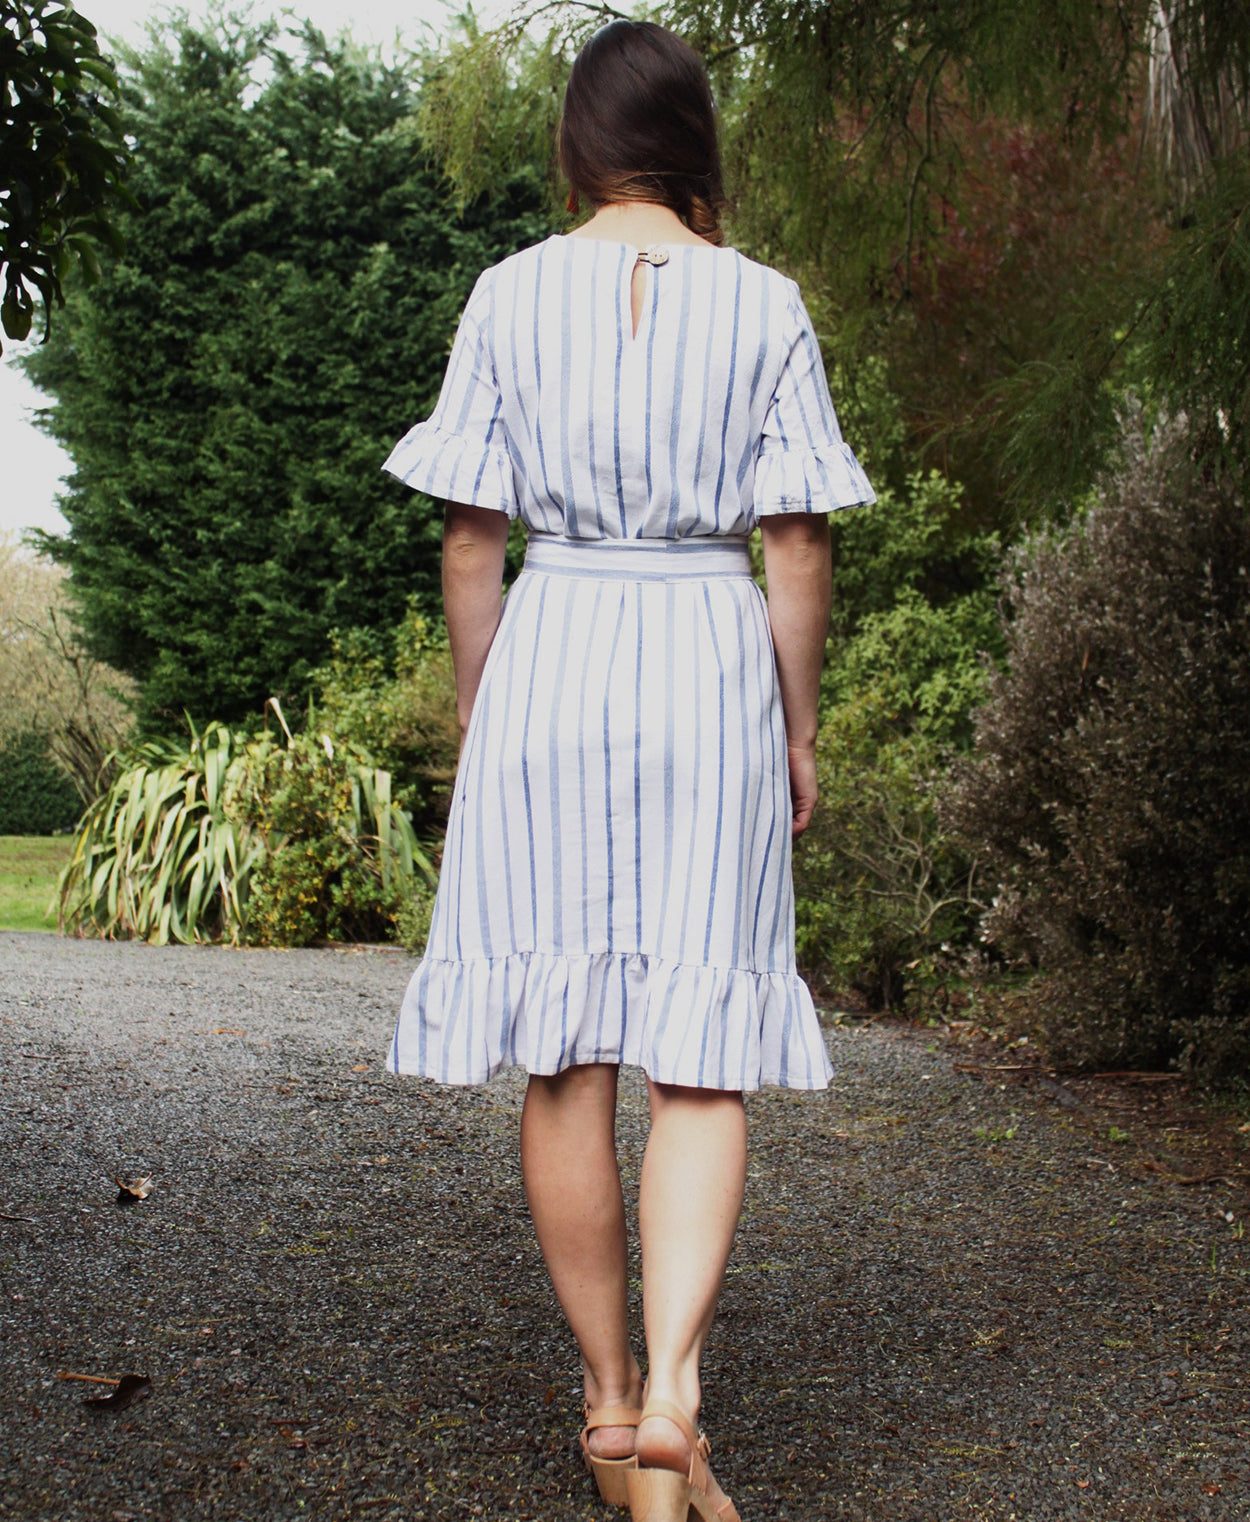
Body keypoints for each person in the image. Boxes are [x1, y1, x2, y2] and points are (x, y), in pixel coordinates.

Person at [381, 19, 874, 1521]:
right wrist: (793, 726)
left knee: (567, 1049)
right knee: (703, 1048)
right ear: (692, 142)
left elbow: (473, 534)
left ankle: (606, 1406)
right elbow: (793, 536)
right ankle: (674, 1391)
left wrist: (484, 706)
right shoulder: (765, 301)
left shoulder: (506, 293)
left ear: (579, 146)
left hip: (556, 650)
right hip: (705, 654)